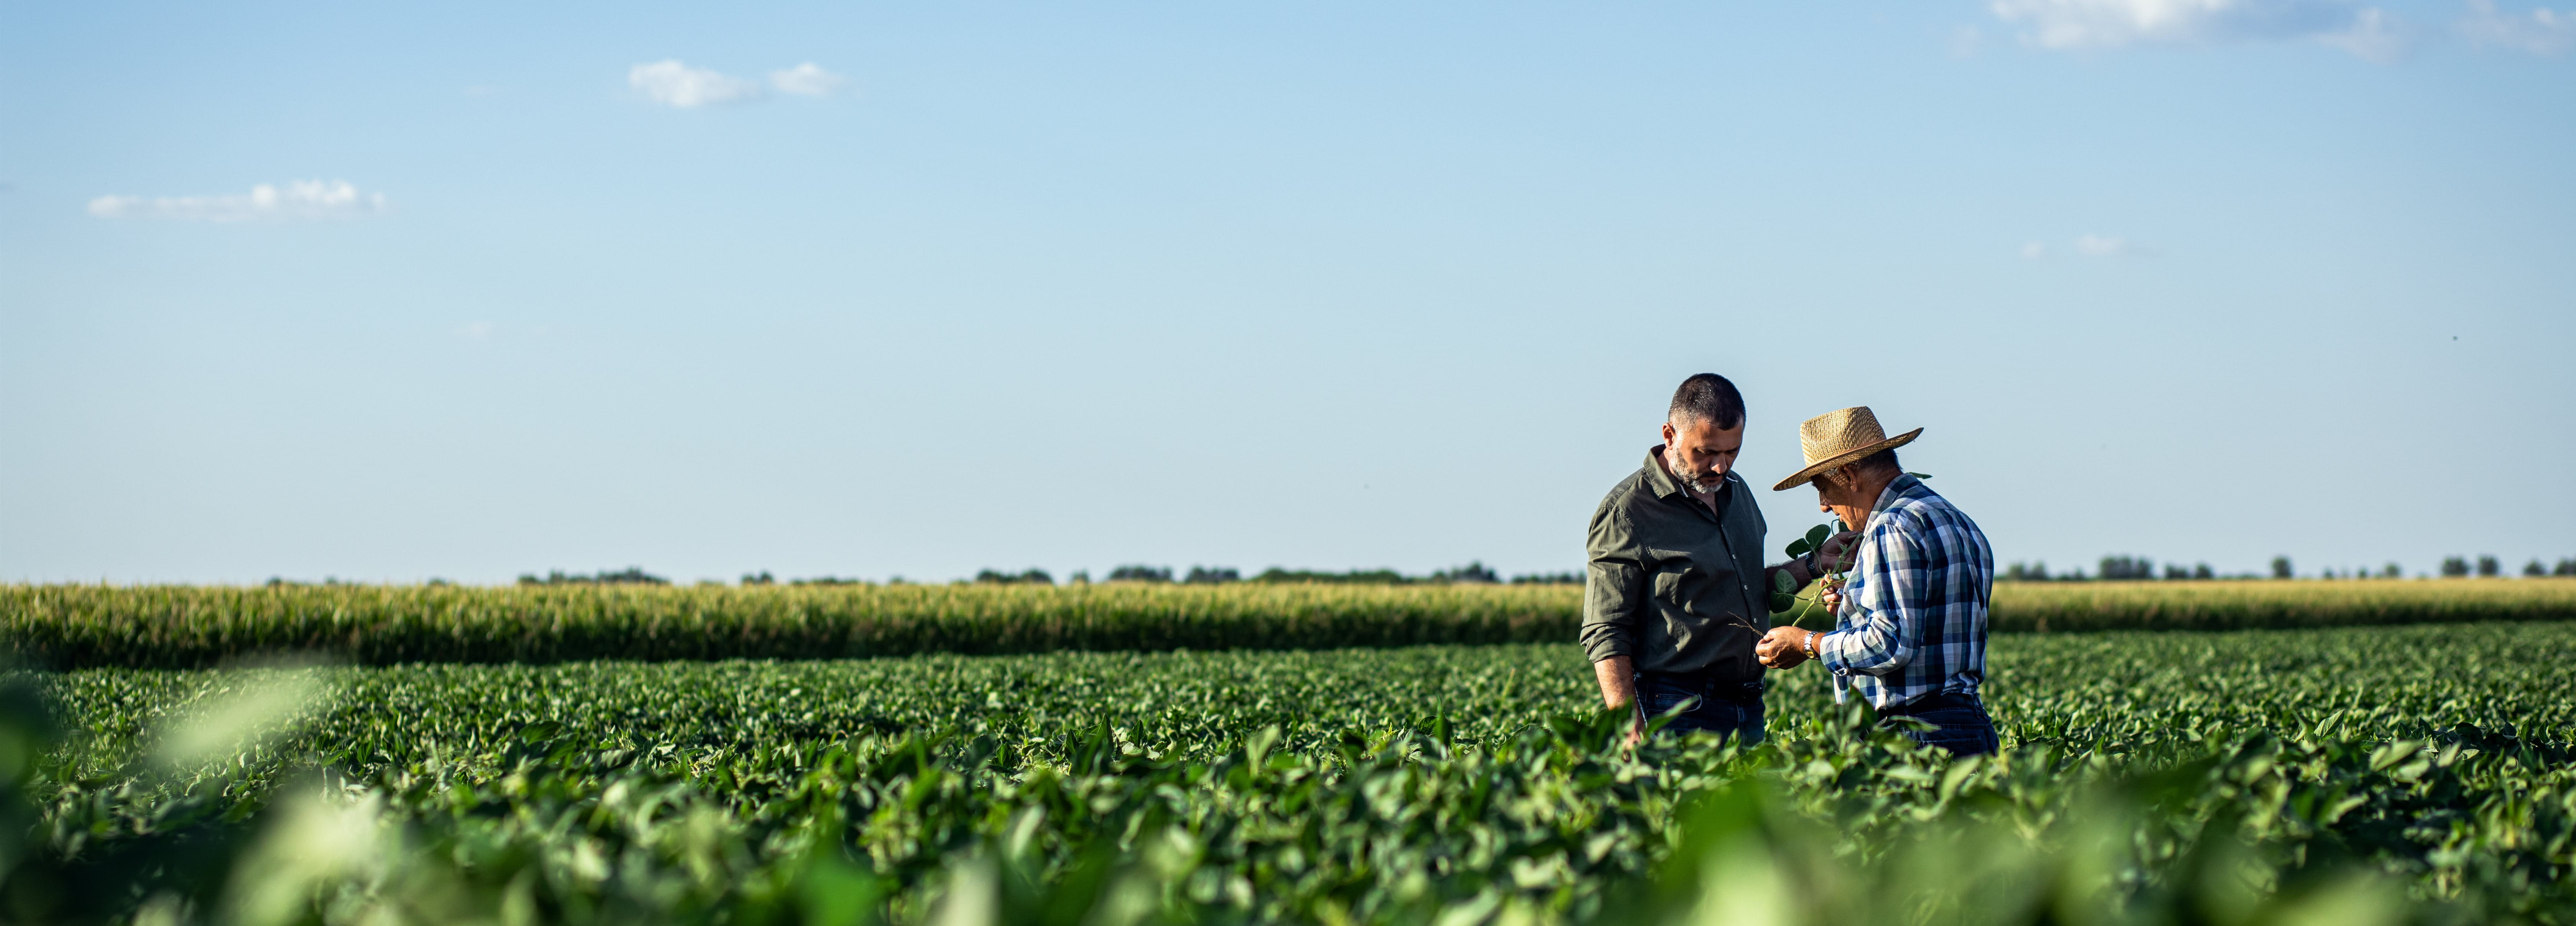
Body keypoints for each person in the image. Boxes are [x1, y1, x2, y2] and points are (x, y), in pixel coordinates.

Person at [1582, 374, 1856, 745]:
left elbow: (1740, 584)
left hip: (1748, 707)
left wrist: (1813, 563)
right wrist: (1628, 725)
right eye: (1706, 453)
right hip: (1675, 709)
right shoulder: (1629, 511)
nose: (1720, 467)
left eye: (1732, 452)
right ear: (1669, 435)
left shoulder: (1737, 493)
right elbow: (1606, 629)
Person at [1754, 407, 1999, 756]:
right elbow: (1931, 618)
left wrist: (1807, 643)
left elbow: (1891, 642)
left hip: (1915, 732)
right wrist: (1858, 599)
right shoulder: (1957, 520)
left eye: (1823, 488)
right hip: (1968, 726)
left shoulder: (1892, 526)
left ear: (1849, 475)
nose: (1824, 506)